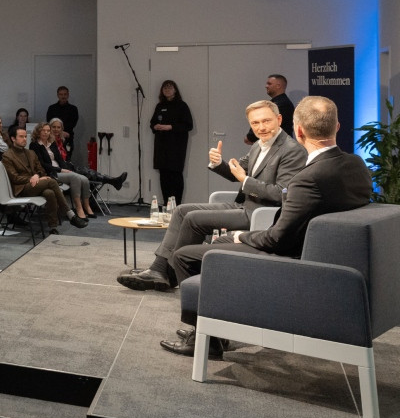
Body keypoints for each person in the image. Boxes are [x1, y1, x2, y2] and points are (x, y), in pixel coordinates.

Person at [159, 96, 373, 357]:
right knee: (210, 238)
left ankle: (208, 338)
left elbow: (276, 239)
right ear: (337, 126)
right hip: (330, 262)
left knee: (184, 256)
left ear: (298, 130)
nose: (260, 127)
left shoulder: (308, 178)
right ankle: (214, 328)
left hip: (292, 260)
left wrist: (243, 236)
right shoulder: (358, 164)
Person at [118, 98, 306, 293]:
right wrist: (218, 163)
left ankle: (169, 272)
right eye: (255, 123)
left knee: (193, 219)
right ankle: (159, 269)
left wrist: (245, 181)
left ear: (279, 119)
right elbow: (238, 171)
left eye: (266, 121)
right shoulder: (258, 145)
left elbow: (281, 193)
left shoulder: (291, 151)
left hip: (259, 213)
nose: (261, 127)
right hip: (243, 206)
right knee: (182, 211)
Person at [1, 125, 81, 231]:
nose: (24, 139)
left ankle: (53, 226)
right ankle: (70, 214)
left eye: (25, 136)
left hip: (35, 184)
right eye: (21, 136)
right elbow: (15, 178)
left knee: (50, 193)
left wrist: (37, 176)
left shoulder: (31, 153)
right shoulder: (7, 156)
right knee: (51, 182)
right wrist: (31, 178)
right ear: (13, 138)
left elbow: (41, 170)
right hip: (22, 188)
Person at [30, 122, 93, 220]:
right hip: (50, 173)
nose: (46, 133)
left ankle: (87, 206)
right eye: (43, 130)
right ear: (38, 131)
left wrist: (65, 169)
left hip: (60, 170)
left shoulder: (52, 142)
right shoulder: (34, 145)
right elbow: (42, 164)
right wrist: (60, 170)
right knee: (75, 177)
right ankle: (78, 208)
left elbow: (59, 159)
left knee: (84, 179)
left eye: (48, 130)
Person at [150, 79, 193, 204]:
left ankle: (177, 205)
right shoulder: (160, 106)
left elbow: (188, 126)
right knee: (164, 176)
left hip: (176, 147)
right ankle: (166, 204)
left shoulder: (182, 106)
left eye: (169, 87)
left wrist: (171, 127)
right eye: (164, 88)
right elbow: (152, 123)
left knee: (175, 175)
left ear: (175, 90)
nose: (167, 90)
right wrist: (155, 126)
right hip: (161, 147)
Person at [246, 73, 296, 142]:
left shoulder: (283, 105)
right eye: (255, 123)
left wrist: (250, 137)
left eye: (269, 84)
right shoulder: (278, 103)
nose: (266, 86)